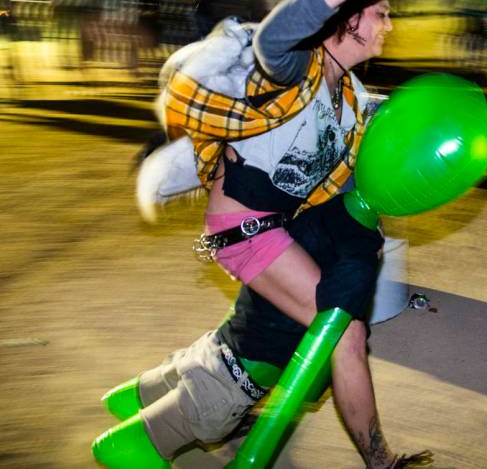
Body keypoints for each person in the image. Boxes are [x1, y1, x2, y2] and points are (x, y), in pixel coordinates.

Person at [193, 0, 422, 468]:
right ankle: (381, 461)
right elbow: (274, 35)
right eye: (381, 13)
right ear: (348, 16)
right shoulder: (296, 70)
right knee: (343, 334)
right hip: (244, 230)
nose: (388, 25)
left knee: (274, 335)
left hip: (287, 227)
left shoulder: (352, 96)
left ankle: (209, 395)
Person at [94, 194, 432, 469]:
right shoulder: (356, 258)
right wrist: (383, 462)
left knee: (150, 394)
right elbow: (346, 349)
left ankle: (145, 398)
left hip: (208, 353)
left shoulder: (320, 211)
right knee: (124, 446)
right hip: (219, 395)